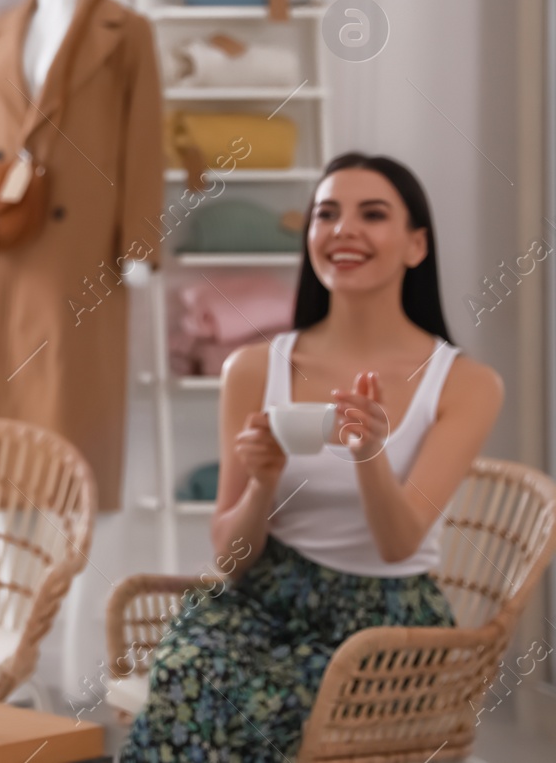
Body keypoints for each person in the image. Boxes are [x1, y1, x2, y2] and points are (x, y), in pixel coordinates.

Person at [121, 153, 504, 762]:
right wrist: (262, 484)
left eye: (372, 214)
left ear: (415, 245)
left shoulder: (465, 383)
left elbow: (400, 543)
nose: (342, 230)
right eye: (326, 214)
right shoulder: (252, 367)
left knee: (256, 712)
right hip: (265, 594)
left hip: (386, 622)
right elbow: (229, 555)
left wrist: (370, 456)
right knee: (190, 671)